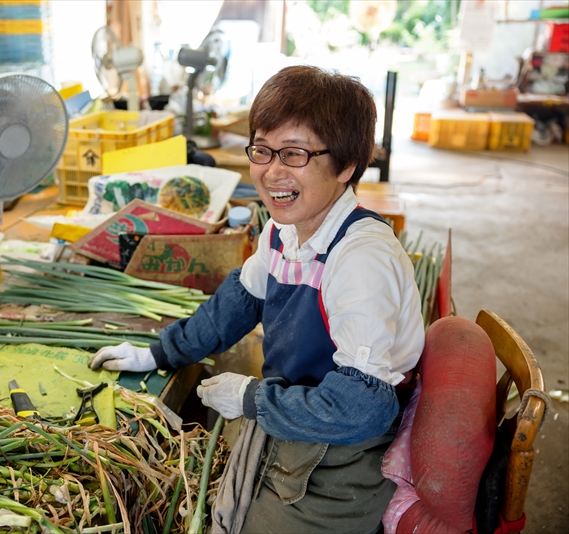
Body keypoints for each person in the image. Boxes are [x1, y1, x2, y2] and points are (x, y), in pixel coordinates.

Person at [89, 65, 425, 533]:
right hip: (296, 422)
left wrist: (252, 398)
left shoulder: (359, 259)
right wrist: (157, 352)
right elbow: (238, 303)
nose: (272, 172)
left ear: (346, 165)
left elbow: (363, 408)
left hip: (344, 457)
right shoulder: (284, 230)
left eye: (294, 153)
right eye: (262, 150)